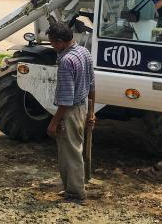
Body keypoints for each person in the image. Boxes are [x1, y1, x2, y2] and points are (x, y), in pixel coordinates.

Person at [46, 22, 96, 202]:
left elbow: (66, 99)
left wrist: (53, 123)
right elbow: (92, 84)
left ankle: (76, 194)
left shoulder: (67, 61)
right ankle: (71, 188)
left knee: (70, 152)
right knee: (74, 149)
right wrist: (91, 112)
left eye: (52, 43)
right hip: (82, 107)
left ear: (60, 41)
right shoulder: (84, 52)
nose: (52, 46)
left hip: (71, 111)